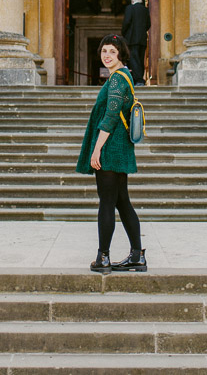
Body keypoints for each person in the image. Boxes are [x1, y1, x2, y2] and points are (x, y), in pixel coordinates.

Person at [75, 35, 146, 274]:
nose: (107, 55)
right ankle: (137, 255)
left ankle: (103, 257)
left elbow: (111, 116)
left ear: (121, 55)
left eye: (112, 52)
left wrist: (97, 149)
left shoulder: (117, 79)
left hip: (111, 148)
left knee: (107, 203)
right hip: (119, 147)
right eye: (104, 51)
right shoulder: (124, 76)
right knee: (122, 201)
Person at [122, 0, 150, 85]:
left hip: (132, 39)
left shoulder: (130, 8)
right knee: (140, 59)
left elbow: (127, 22)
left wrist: (124, 32)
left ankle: (138, 80)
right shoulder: (145, 10)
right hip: (142, 39)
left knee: (134, 59)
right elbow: (148, 24)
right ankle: (139, 78)